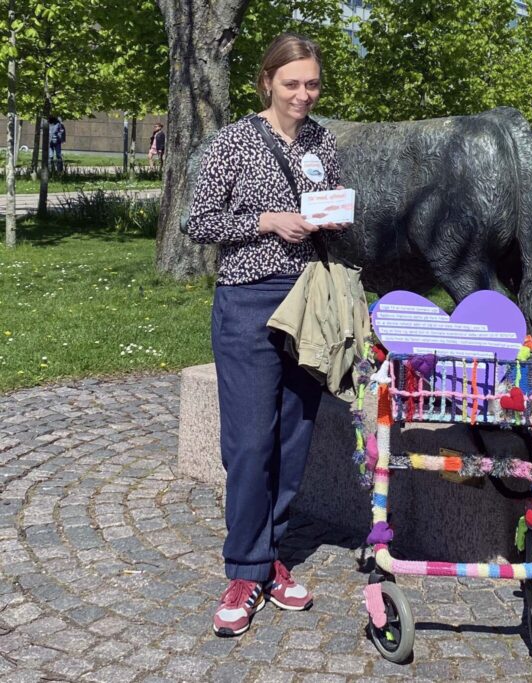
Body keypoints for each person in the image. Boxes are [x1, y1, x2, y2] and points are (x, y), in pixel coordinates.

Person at [185, 32, 351, 638]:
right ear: (266, 82)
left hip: (309, 303)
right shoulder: (233, 141)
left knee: (294, 438)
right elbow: (197, 220)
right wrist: (266, 221)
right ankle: (244, 570)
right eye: (292, 83)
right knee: (251, 442)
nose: (303, 94)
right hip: (249, 301)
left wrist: (331, 218)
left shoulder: (321, 142)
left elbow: (332, 212)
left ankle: (270, 556)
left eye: (312, 84)